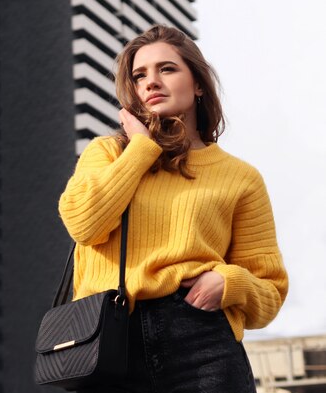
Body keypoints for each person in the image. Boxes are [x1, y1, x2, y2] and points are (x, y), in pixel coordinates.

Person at [58, 24, 288, 393]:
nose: (151, 81)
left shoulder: (240, 177)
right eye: (139, 75)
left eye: (167, 69)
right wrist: (141, 149)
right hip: (109, 338)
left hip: (201, 339)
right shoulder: (109, 153)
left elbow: (271, 292)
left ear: (198, 84)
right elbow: (84, 224)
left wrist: (229, 282)